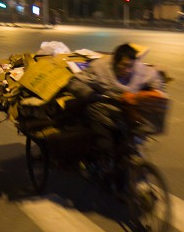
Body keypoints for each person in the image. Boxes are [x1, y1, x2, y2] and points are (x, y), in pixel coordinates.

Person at [70, 43, 167, 191]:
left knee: (130, 146)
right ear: (114, 61)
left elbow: (157, 81)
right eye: (123, 66)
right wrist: (91, 95)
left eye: (130, 66)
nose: (127, 70)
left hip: (126, 114)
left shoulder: (141, 70)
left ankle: (124, 180)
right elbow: (75, 82)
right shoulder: (99, 68)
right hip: (102, 112)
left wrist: (153, 93)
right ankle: (99, 168)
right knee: (106, 145)